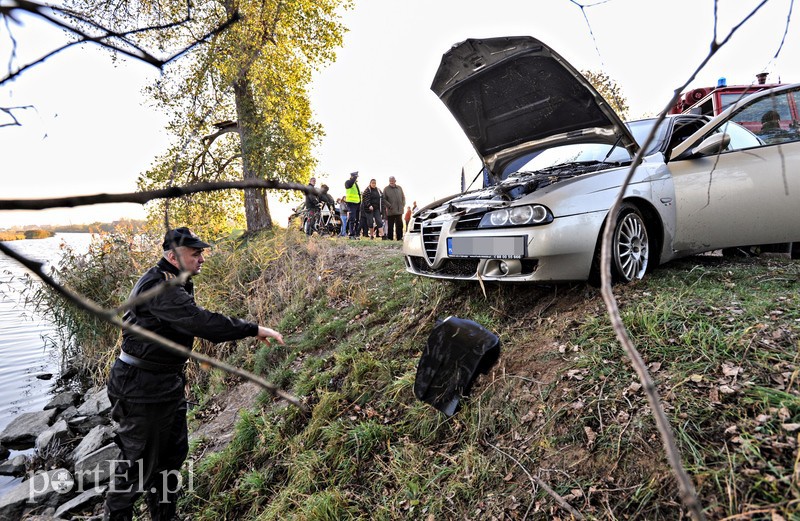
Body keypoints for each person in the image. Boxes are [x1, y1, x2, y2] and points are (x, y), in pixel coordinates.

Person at [104, 227, 284, 521]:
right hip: (139, 386)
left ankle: (165, 516)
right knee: (137, 463)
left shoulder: (178, 281)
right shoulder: (159, 286)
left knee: (171, 456)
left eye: (201, 252)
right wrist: (253, 329)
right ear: (173, 257)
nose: (201, 258)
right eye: (195, 253)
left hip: (165, 382)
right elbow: (201, 322)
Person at [383, 176, 406, 240]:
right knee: (390, 226)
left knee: (399, 225)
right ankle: (390, 238)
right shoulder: (386, 189)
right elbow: (383, 199)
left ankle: (399, 237)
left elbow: (403, 197)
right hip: (391, 211)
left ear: (395, 181)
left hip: (399, 210)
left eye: (393, 180)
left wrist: (403, 204)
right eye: (390, 180)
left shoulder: (399, 188)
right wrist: (389, 206)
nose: (391, 182)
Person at [344, 171, 362, 239]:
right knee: (352, 219)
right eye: (355, 177)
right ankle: (351, 234)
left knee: (357, 219)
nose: (356, 178)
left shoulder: (356, 184)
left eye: (356, 177)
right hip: (351, 203)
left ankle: (356, 234)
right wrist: (353, 178)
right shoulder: (348, 182)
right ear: (352, 176)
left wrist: (360, 202)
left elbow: (358, 194)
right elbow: (349, 185)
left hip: (357, 203)